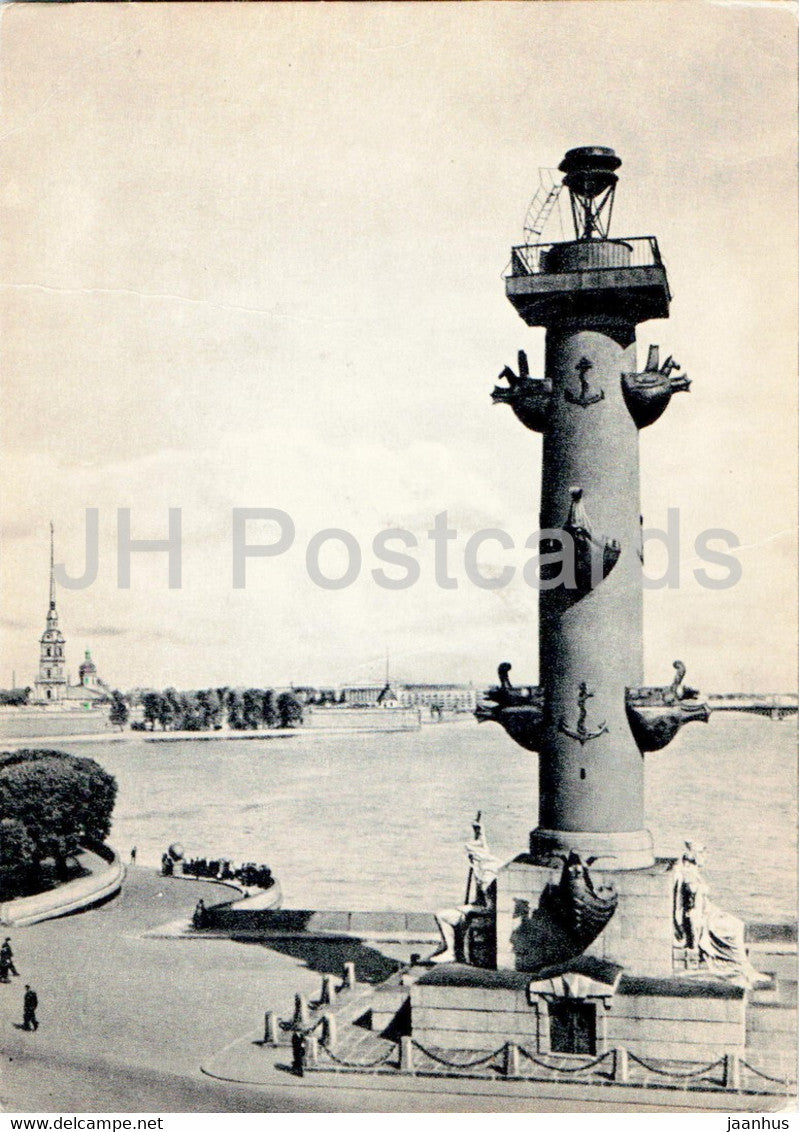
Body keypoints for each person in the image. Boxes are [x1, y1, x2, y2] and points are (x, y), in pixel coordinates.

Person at [432, 818, 501, 964]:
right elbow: (483, 848)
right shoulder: (486, 866)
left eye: (471, 857)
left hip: (484, 919)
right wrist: (480, 832)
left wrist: (467, 908)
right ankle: (448, 948)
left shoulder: (487, 878)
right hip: (478, 914)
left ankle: (451, 952)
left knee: (444, 916)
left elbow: (490, 908)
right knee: (442, 915)